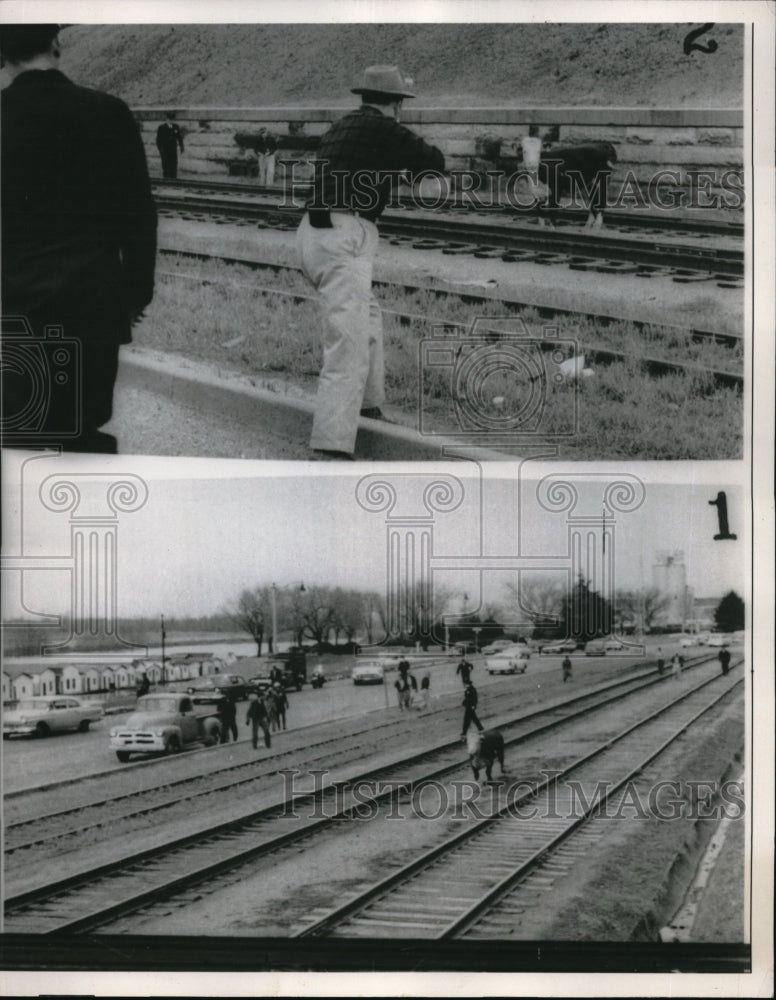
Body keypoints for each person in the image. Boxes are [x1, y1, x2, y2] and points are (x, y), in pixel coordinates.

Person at [1, 24, 157, 454]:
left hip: (13, 311)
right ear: (56, 44)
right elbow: (140, 217)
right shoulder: (109, 111)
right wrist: (135, 295)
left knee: (18, 436)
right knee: (85, 433)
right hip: (93, 307)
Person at [296, 64, 445, 460]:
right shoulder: (385, 128)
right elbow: (433, 161)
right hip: (345, 235)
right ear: (396, 104)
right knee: (347, 344)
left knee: (368, 319)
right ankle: (332, 443)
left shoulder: (342, 126)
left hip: (312, 235)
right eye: (401, 104)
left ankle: (369, 406)